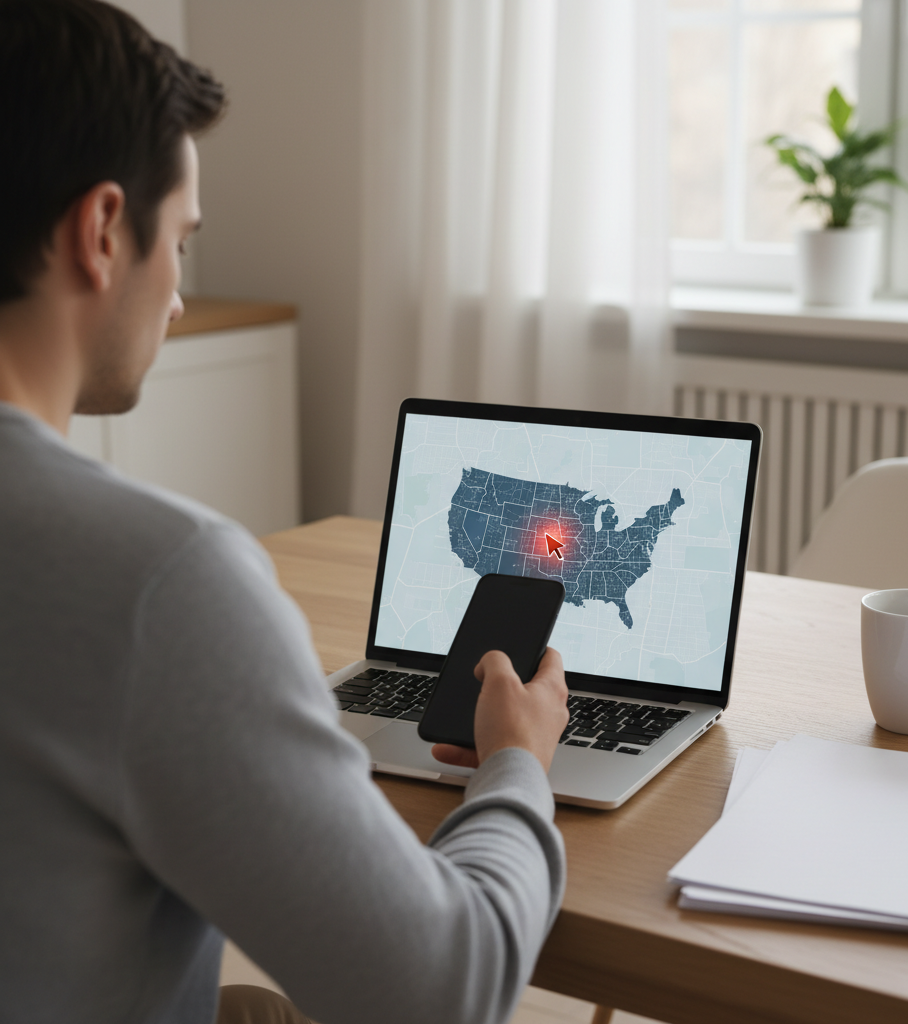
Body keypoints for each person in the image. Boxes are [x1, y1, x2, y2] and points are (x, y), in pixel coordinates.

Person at [0, 3, 570, 1023]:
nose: (177, 295)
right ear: (99, 231)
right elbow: (443, 988)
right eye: (180, 241)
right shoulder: (161, 580)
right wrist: (520, 762)